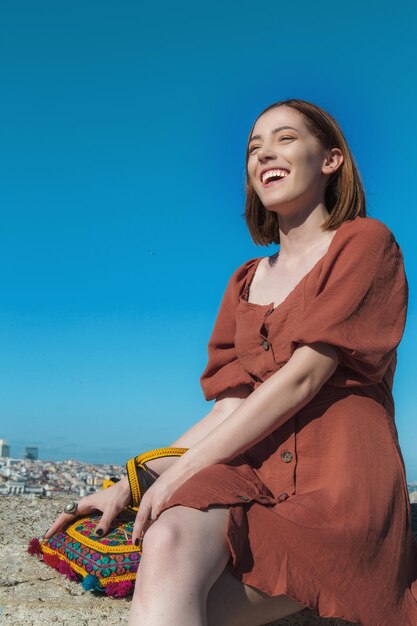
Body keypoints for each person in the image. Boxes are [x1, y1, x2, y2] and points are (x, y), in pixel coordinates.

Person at [44, 98, 417, 625]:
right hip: (257, 482)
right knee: (169, 536)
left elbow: (305, 377)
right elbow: (227, 409)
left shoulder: (365, 243)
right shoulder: (244, 281)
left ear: (330, 159)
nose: (265, 153)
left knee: (176, 560)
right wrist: (129, 483)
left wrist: (179, 476)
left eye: (285, 138)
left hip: (340, 492)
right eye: (253, 147)